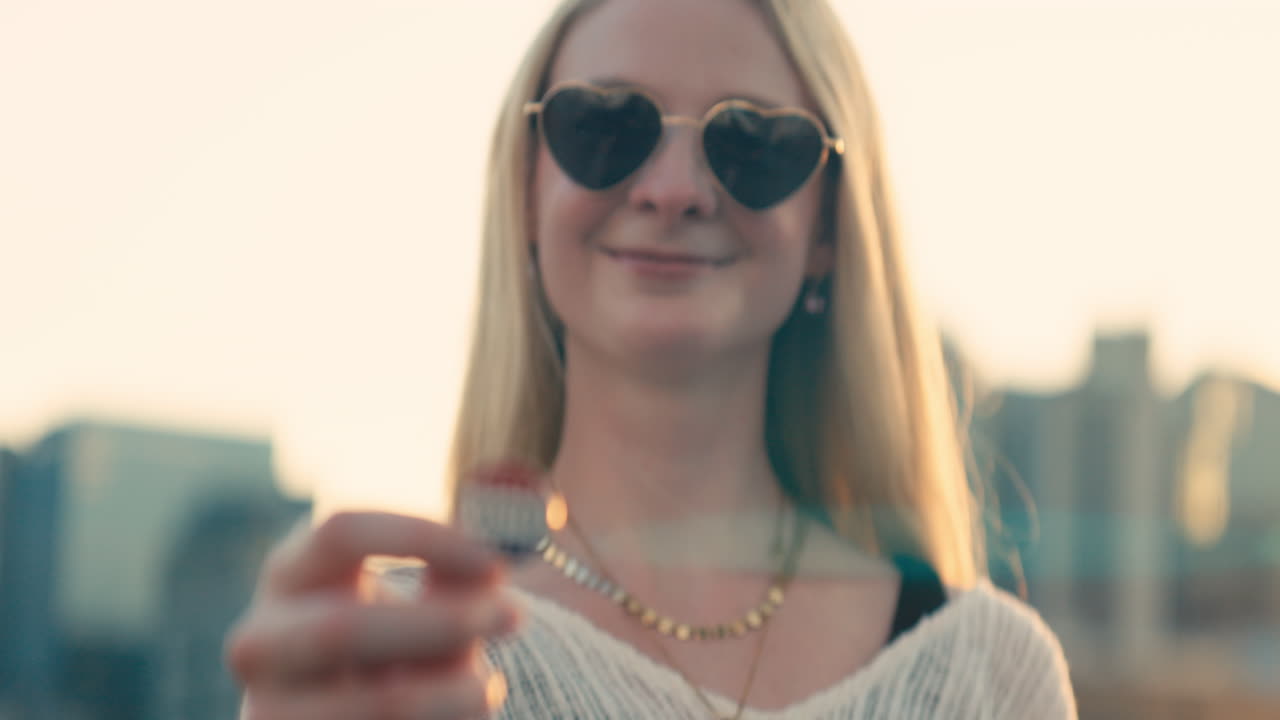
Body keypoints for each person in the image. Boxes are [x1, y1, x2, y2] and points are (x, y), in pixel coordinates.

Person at [225, 0, 1078, 717]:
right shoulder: (392, 666)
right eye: (604, 125)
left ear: (827, 226)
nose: (672, 189)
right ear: (525, 190)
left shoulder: (989, 675)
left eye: (750, 141)